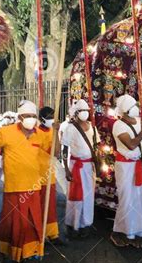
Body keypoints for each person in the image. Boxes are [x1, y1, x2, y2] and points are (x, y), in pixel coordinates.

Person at [0, 100, 46, 263]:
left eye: (33, 116)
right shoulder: (6, 132)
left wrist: (54, 131)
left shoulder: (39, 134)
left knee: (31, 222)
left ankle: (28, 254)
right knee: (10, 223)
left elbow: (52, 151)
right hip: (14, 187)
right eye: (27, 116)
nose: (31, 119)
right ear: (20, 117)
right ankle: (4, 250)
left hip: (34, 186)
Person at [111, 94, 142, 248]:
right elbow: (132, 145)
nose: (137, 109)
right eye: (134, 107)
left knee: (137, 200)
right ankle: (118, 233)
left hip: (137, 165)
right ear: (125, 111)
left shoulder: (140, 122)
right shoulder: (118, 125)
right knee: (126, 200)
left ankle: (132, 233)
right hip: (125, 167)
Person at [61, 99, 100, 239]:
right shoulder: (70, 128)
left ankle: (85, 224)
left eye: (86, 111)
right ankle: (73, 225)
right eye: (81, 111)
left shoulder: (93, 127)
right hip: (75, 167)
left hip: (89, 167)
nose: (84, 113)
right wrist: (66, 168)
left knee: (88, 197)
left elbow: (96, 146)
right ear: (76, 113)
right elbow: (64, 149)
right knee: (75, 197)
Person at [38, 106, 65, 245]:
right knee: (38, 207)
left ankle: (52, 233)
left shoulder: (51, 131)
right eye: (49, 118)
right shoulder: (36, 132)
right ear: (41, 119)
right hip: (37, 176)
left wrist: (56, 133)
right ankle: (38, 234)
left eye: (52, 117)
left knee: (50, 206)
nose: (51, 120)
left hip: (49, 175)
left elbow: (57, 153)